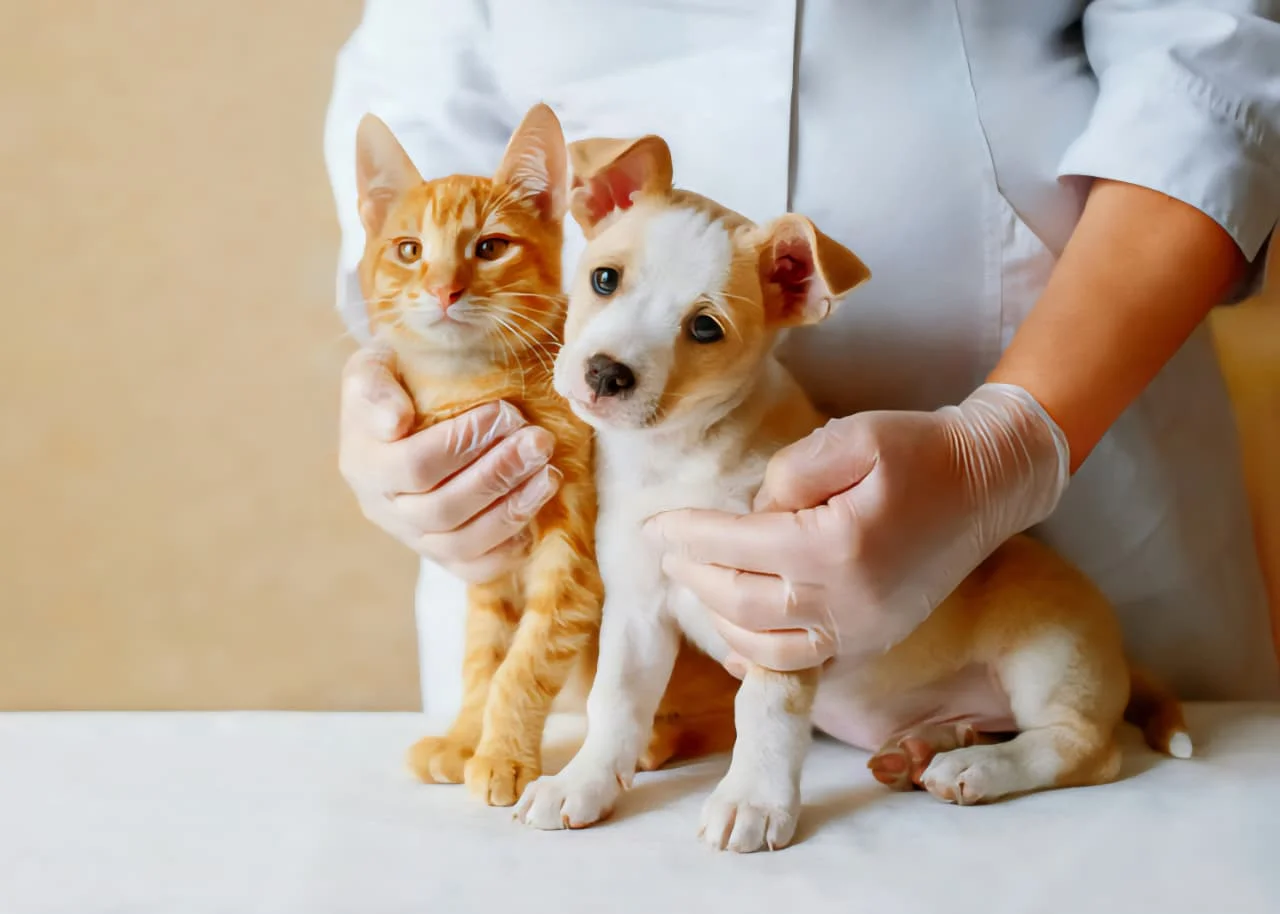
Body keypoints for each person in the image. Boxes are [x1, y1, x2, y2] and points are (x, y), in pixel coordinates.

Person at [324, 0, 1280, 731]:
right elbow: (418, 128)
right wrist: (405, 383)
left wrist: (1013, 444)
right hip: (588, 543)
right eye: (606, 276)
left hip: (1078, 460)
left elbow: (1207, 56)